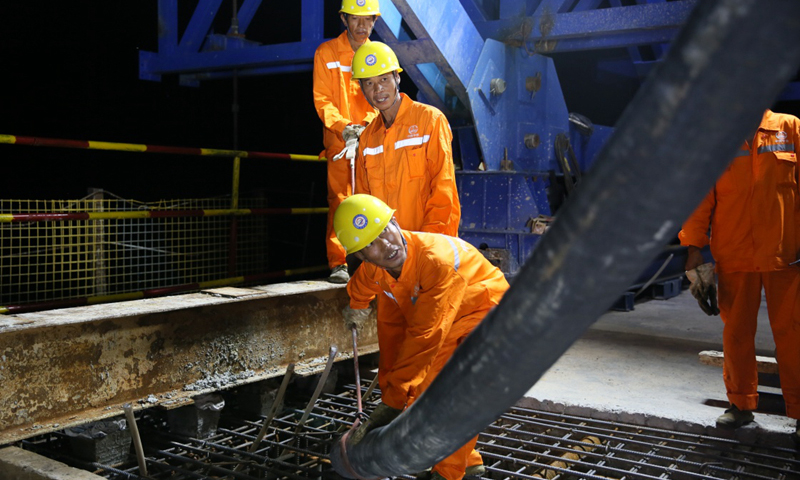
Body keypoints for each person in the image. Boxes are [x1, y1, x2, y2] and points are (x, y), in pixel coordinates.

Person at [335, 194, 509, 480]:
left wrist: (391, 403)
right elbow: (361, 286)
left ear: (395, 221)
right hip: (449, 317)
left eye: (384, 231)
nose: (385, 245)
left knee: (451, 390)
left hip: (488, 311)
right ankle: (469, 462)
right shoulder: (374, 271)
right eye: (369, 244)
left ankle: (449, 473)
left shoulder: (435, 260)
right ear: (362, 257)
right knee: (415, 382)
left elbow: (425, 338)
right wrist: (356, 307)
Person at [680, 109, 799, 442]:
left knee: (793, 334)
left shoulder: (790, 129)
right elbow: (699, 197)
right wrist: (693, 248)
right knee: (737, 334)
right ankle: (740, 404)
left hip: (784, 254)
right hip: (734, 254)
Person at [351, 41, 461, 237]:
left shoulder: (430, 120)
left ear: (397, 78)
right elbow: (365, 201)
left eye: (384, 79)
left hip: (426, 245)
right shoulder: (367, 139)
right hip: (388, 253)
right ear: (361, 88)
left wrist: (429, 246)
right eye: (369, 83)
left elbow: (444, 190)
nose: (378, 90)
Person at [313, 0, 380, 283]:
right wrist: (344, 128)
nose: (362, 26)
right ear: (344, 19)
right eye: (356, 19)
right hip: (341, 145)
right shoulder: (326, 53)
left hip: (372, 142)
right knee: (341, 201)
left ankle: (374, 262)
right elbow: (322, 99)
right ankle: (339, 262)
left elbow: (383, 96)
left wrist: (366, 127)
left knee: (375, 202)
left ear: (375, 21)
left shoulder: (377, 56)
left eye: (368, 20)